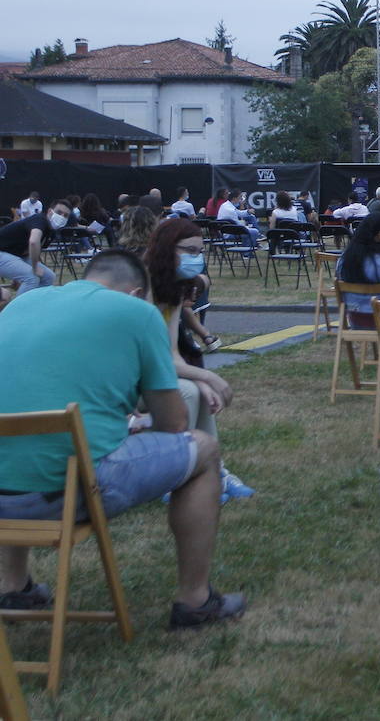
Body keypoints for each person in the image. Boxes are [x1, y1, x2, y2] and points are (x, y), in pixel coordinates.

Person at [0, 249, 246, 627]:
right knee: (203, 449)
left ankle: (14, 587)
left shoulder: (23, 302)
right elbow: (173, 425)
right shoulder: (137, 313)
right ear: (134, 293)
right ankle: (196, 600)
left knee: (24, 439)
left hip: (3, 497)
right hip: (66, 490)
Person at [143, 219, 252, 501]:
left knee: (199, 392)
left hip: (154, 375)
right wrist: (206, 376)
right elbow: (149, 361)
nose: (197, 258)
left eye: (199, 251)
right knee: (188, 390)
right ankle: (172, 476)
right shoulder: (143, 290)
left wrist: (199, 378)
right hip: (129, 380)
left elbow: (171, 353)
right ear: (168, 249)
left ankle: (214, 470)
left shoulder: (175, 289)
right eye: (190, 251)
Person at [0, 197, 70, 294]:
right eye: (59, 212)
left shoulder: (51, 232)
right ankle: (20, 308)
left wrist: (18, 274)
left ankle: (36, 303)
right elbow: (33, 241)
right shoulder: (40, 219)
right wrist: (34, 267)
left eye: (66, 215)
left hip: (11, 254)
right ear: (50, 212)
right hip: (2, 253)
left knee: (49, 277)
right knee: (32, 277)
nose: (62, 216)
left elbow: (26, 251)